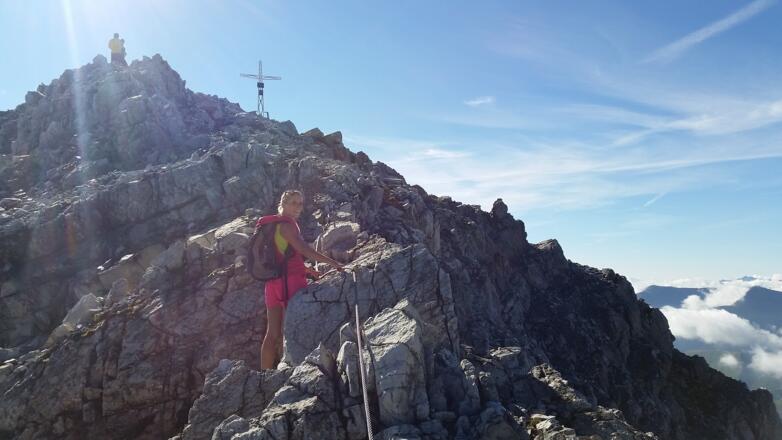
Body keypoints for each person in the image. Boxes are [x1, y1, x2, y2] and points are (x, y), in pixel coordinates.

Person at [260, 190, 344, 369]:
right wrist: (333, 262)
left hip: (272, 283)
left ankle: (264, 375)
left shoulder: (273, 225)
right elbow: (305, 250)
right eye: (293, 202)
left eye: (300, 203)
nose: (298, 207)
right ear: (283, 204)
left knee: (272, 333)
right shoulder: (288, 226)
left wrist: (307, 270)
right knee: (292, 328)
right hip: (290, 283)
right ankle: (294, 369)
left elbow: (282, 255)